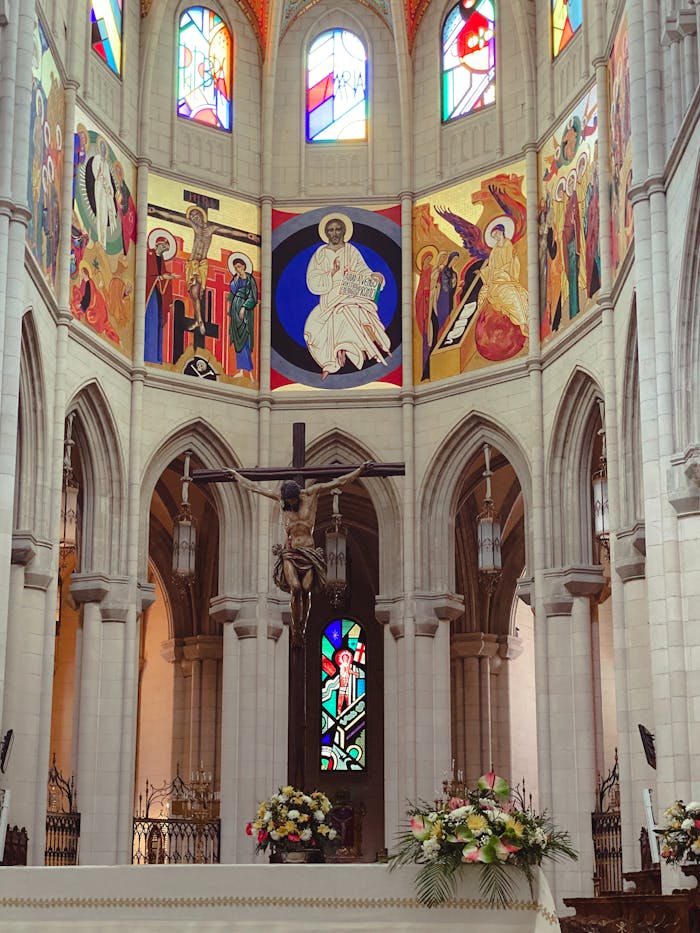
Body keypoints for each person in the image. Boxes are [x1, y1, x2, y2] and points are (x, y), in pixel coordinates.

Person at [225, 460, 371, 645]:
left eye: (291, 501)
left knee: (306, 589)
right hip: (291, 552)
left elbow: (338, 482)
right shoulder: (282, 500)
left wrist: (359, 470)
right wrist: (236, 476)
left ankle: (302, 626)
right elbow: (255, 488)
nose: (289, 504)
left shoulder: (311, 494)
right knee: (295, 587)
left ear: (297, 496)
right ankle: (296, 629)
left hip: (308, 553)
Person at [304, 217, 391, 380]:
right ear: (326, 233)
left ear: (344, 231)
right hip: (329, 297)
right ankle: (330, 360)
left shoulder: (351, 250)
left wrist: (376, 277)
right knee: (313, 328)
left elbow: (363, 271)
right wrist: (332, 272)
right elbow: (312, 279)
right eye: (331, 230)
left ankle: (346, 350)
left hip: (350, 294)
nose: (334, 233)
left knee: (348, 312)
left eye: (338, 229)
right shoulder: (320, 253)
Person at [477, 223, 529, 336]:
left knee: (511, 298)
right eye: (493, 235)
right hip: (494, 281)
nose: (495, 237)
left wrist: (500, 273)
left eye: (496, 233)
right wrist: (486, 273)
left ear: (501, 231)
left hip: (505, 279)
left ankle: (523, 325)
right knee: (482, 295)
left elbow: (511, 264)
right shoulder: (494, 249)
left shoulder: (507, 245)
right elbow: (491, 267)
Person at [185, 205, 222, 335]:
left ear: (202, 217)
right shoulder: (195, 227)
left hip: (201, 266)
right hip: (191, 264)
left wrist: (249, 235)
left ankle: (199, 320)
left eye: (197, 216)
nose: (195, 218)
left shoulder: (210, 229)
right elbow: (170, 216)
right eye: (193, 216)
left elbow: (230, 232)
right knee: (192, 294)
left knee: (196, 293)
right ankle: (198, 320)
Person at [227, 255, 258, 378]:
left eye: (239, 267)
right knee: (237, 339)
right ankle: (240, 370)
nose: (237, 270)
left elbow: (253, 297)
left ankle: (250, 372)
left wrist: (244, 307)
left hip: (245, 312)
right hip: (235, 309)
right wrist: (236, 279)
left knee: (245, 339)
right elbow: (233, 290)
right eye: (235, 268)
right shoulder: (236, 279)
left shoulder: (250, 280)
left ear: (244, 266)